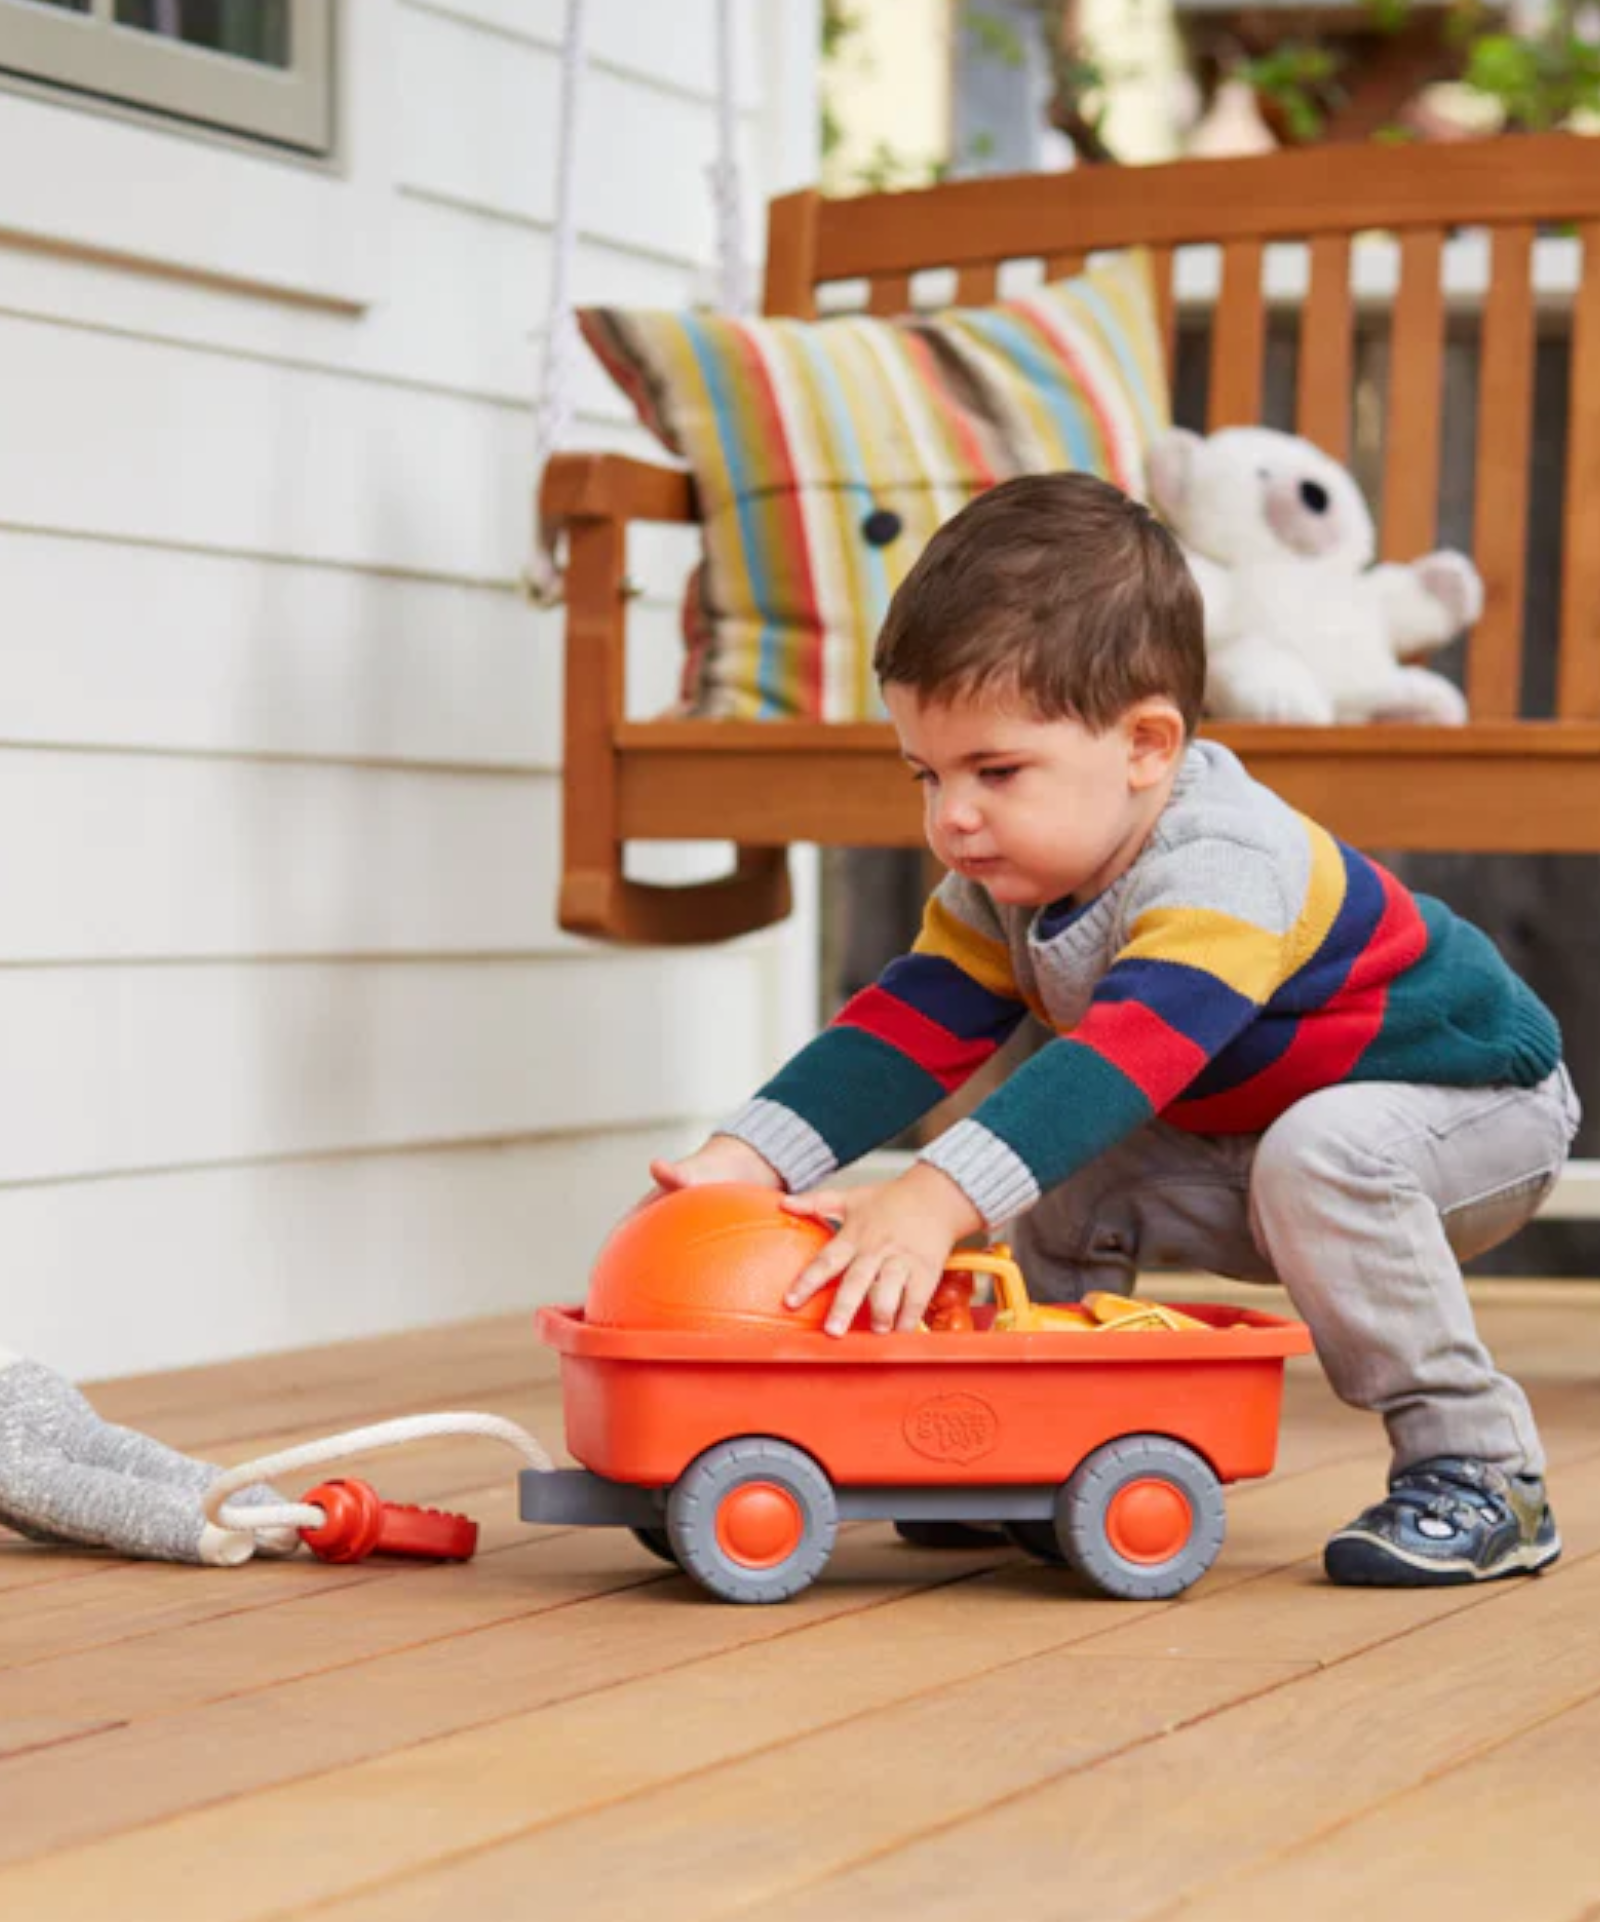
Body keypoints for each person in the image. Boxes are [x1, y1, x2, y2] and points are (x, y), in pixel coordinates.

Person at [651, 473, 1580, 1589]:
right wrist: (739, 1160)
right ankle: (1031, 1444)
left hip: (1471, 1110)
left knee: (1307, 1149)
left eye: (995, 770)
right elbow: (902, 1027)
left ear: (1146, 743)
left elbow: (1124, 1057)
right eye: (927, 773)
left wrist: (929, 1197)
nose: (951, 816)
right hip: (1258, 1134)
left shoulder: (1223, 860)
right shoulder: (1009, 876)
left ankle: (1482, 1469)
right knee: (1051, 1176)